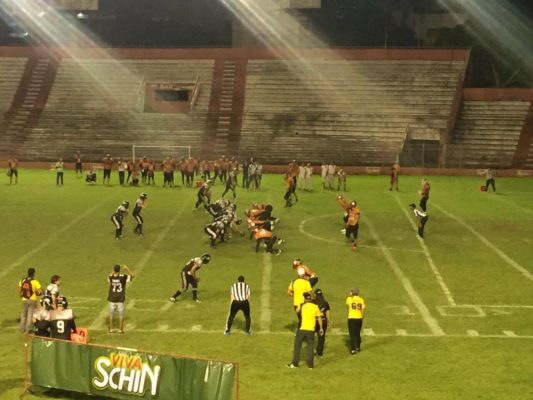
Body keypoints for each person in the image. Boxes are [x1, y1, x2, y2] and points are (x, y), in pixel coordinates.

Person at [287, 292, 323, 369]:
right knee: (310, 347)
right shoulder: (315, 307)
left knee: (297, 346)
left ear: (305, 299)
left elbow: (297, 310)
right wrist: (321, 328)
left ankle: (295, 363)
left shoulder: (303, 305)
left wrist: (302, 303)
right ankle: (310, 365)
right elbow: (319, 318)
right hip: (311, 330)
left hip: (302, 329)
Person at [107, 264, 135, 333]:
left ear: (114, 270)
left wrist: (114, 272)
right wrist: (127, 269)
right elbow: (133, 276)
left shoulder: (111, 277)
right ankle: (120, 329)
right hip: (120, 298)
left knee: (111, 315)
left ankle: (110, 329)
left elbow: (110, 277)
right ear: (119, 270)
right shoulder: (123, 277)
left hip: (112, 298)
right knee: (121, 315)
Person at [18, 267, 43, 333]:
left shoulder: (22, 280)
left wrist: (22, 297)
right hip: (33, 299)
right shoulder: (35, 281)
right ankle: (28, 329)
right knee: (30, 314)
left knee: (23, 314)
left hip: (24, 299)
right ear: (34, 273)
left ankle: (22, 328)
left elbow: (20, 290)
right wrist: (38, 293)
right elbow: (41, 291)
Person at [346, 287, 365, 354]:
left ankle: (353, 349)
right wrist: (362, 317)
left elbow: (348, 305)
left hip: (351, 318)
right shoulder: (361, 300)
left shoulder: (349, 299)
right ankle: (358, 347)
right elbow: (362, 309)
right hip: (359, 318)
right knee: (357, 334)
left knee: (352, 334)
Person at [314, 289, 330, 357]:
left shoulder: (313, 302)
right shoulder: (325, 303)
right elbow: (328, 313)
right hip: (323, 321)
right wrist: (329, 322)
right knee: (321, 337)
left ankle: (311, 349)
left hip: (314, 321)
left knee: (310, 336)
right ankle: (319, 352)